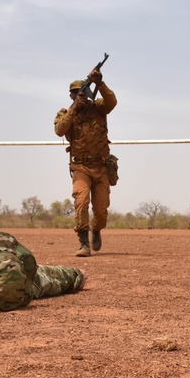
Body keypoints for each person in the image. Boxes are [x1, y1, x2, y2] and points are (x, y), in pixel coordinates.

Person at [54, 66, 117, 256]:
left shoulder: (99, 108)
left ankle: (96, 230)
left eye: (82, 93)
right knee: (81, 202)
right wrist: (74, 109)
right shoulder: (66, 113)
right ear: (71, 96)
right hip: (81, 166)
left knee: (100, 210)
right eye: (75, 94)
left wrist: (100, 83)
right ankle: (83, 243)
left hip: (101, 166)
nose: (79, 96)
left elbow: (112, 101)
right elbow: (59, 130)